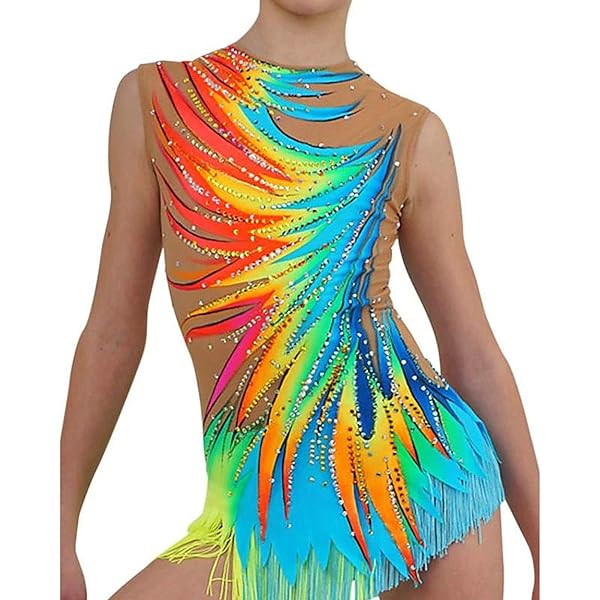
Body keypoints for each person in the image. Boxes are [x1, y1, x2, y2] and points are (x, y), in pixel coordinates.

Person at [60, 1, 539, 599]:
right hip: (254, 523)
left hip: (428, 497)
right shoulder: (157, 101)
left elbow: (474, 355)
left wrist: (549, 552)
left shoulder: (410, 132)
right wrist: (57, 529)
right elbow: (112, 332)